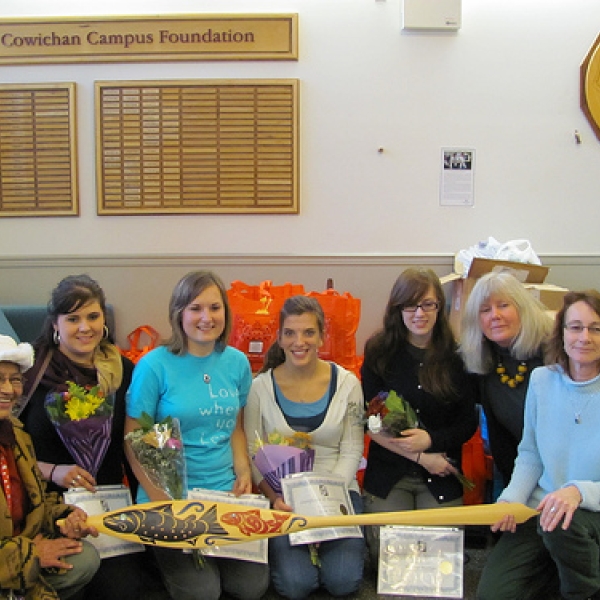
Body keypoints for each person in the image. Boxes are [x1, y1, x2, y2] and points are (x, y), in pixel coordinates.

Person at [125, 270, 269, 600]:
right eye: (196, 308)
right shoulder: (154, 366)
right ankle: (161, 559)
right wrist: (160, 499)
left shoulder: (237, 363)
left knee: (250, 587)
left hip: (222, 492)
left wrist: (244, 471)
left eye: (215, 308)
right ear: (179, 314)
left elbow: (235, 426)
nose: (207, 317)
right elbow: (134, 440)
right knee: (203, 593)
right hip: (170, 493)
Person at [20, 274, 165, 600]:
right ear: (55, 324)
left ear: (104, 320)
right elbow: (10, 448)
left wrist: (155, 498)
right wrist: (53, 470)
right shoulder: (31, 370)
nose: (85, 327)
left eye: (92, 316)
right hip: (47, 507)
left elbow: (137, 439)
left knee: (123, 589)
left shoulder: (125, 371)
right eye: (73, 318)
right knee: (71, 580)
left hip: (108, 506)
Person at [481, 290, 600, 600]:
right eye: (575, 327)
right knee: (493, 595)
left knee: (563, 527)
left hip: (591, 513)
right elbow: (530, 455)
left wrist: (577, 492)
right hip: (541, 509)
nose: (584, 337)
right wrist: (510, 499)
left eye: (595, 328)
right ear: (561, 333)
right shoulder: (542, 381)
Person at [245, 295, 366, 600]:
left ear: (322, 336)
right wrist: (275, 498)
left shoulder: (348, 384)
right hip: (284, 499)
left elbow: (352, 449)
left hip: (338, 495)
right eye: (290, 333)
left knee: (342, 582)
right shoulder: (260, 387)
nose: (299, 341)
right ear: (280, 338)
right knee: (295, 585)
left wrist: (323, 500)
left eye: (309, 332)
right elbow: (253, 451)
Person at [361, 268, 478, 564]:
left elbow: (467, 423)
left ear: (440, 306)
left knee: (439, 560)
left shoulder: (457, 357)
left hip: (440, 472)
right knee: (390, 559)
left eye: (428, 304)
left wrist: (432, 439)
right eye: (410, 305)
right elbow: (371, 423)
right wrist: (422, 456)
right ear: (398, 309)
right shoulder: (379, 352)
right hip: (391, 472)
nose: (419, 313)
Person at [459, 271, 558, 599]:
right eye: (485, 310)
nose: (495, 316)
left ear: (523, 308)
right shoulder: (483, 363)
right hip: (520, 476)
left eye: (504, 305)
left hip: (569, 478)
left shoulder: (555, 354)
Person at [0, 334, 100, 599]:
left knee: (84, 557)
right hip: (11, 556)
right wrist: (30, 554)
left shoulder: (17, 434)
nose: (9, 390)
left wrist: (65, 516)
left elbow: (35, 500)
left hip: (21, 547)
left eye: (15, 380)